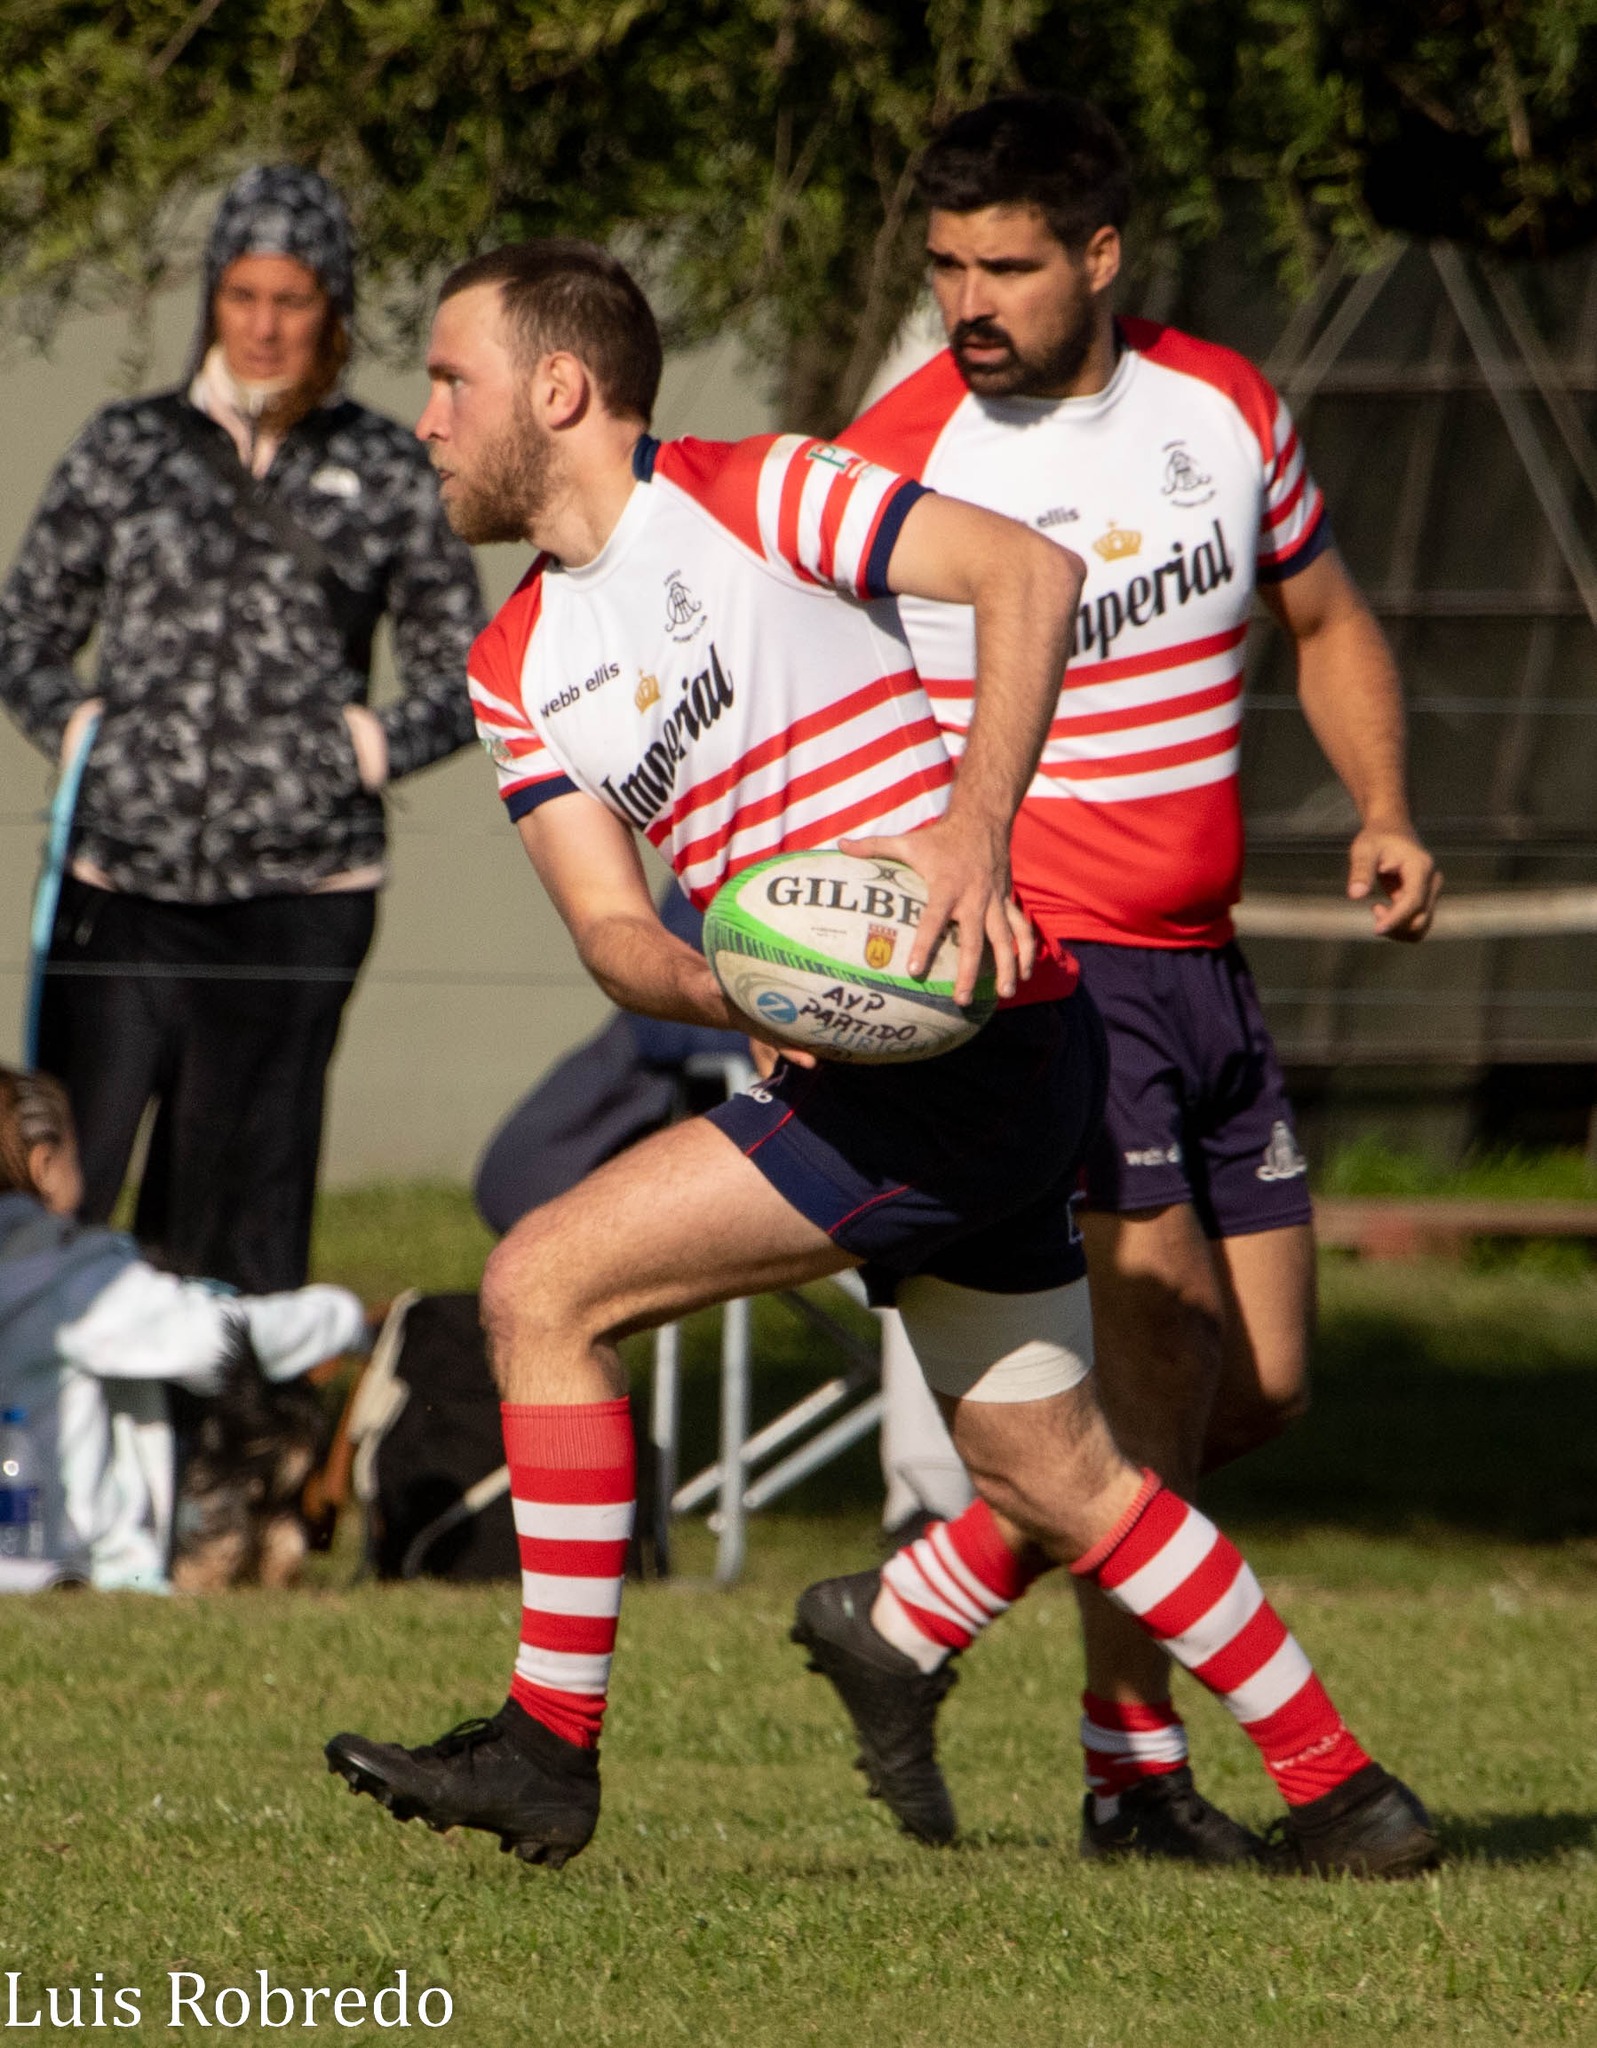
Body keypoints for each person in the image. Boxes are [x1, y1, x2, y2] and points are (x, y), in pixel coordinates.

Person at [322, 238, 1434, 1881]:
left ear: (557, 390)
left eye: (446, 380)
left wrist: (973, 837)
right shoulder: (513, 669)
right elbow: (620, 941)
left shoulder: (757, 491)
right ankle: (1347, 1791)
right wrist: (737, 988)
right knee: (1058, 1472)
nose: (421, 419)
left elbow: (1030, 578)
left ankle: (549, 1749)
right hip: (880, 1065)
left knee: (540, 1286)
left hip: (976, 1038)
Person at [835, 91, 1441, 1862]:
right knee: (1156, 1349)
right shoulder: (897, 451)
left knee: (1252, 1388)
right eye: (945, 263)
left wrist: (1386, 804)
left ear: (1098, 258)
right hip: (1051, 982)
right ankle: (1131, 1775)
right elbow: (786, 675)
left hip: (1208, 974)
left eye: (1007, 266)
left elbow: (1321, 620)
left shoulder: (1224, 405)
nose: (969, 299)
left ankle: (914, 1606)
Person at [0, 165, 485, 1295]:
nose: (265, 325)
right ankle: (55, 1443)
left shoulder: (382, 466)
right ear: (213, 297)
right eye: (243, 294)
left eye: (294, 297)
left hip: (297, 904)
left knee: (239, 1211)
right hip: (120, 893)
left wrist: (357, 752)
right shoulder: (131, 445)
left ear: (335, 309)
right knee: (61, 1183)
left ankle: (229, 1456)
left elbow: (468, 666)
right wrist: (83, 739)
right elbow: (24, 624)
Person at [0, 1067, 366, 1591]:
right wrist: (343, 1319)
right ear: (44, 1165)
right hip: (61, 1568)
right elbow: (216, 1342)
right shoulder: (75, 1278)